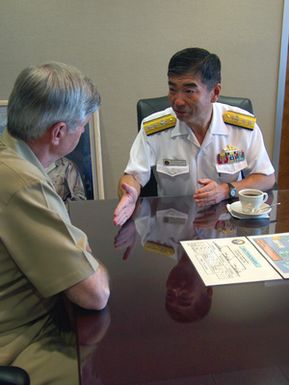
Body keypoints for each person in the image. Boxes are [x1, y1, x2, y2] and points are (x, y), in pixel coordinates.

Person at [0, 62, 110, 378]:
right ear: (59, 132)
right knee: (116, 367)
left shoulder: (11, 157)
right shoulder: (22, 182)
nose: (84, 131)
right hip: (19, 338)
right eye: (83, 125)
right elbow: (94, 293)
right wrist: (89, 259)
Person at [113, 47, 275, 226]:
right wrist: (130, 194)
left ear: (215, 93)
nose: (178, 101)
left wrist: (226, 190)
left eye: (189, 91)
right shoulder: (154, 129)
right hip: (173, 228)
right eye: (172, 89)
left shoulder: (241, 127)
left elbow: (266, 177)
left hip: (225, 228)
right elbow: (133, 176)